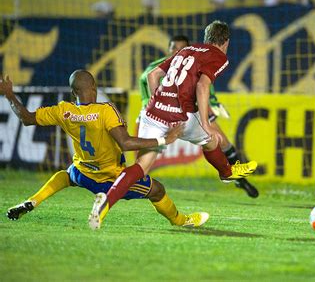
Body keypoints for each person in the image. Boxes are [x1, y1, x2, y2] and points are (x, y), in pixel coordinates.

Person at [89, 20, 258, 229]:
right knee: (213, 138)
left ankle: (104, 204)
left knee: (141, 167)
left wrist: (158, 100)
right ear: (226, 42)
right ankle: (226, 172)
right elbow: (203, 86)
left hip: (153, 112)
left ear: (206, 37)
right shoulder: (218, 55)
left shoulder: (186, 50)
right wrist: (205, 122)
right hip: (181, 115)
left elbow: (153, 75)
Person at [1, 70, 208, 229]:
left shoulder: (63, 110)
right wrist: (163, 139)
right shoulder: (106, 111)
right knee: (157, 190)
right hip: (112, 178)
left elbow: (26, 118)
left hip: (83, 173)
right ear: (95, 87)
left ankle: (31, 202)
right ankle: (181, 221)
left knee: (66, 176)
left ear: (74, 92)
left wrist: (9, 94)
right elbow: (125, 143)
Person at [138, 35, 259, 198]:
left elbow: (206, 87)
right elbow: (145, 79)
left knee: (221, 141)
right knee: (143, 162)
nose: (176, 51)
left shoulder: (195, 60)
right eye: (173, 47)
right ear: (168, 48)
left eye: (179, 48)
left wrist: (213, 105)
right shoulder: (158, 65)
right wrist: (151, 101)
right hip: (159, 113)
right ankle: (132, 183)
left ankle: (241, 181)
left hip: (189, 109)